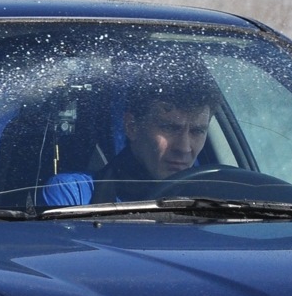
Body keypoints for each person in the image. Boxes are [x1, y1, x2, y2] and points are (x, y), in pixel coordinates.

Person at [91, 78, 219, 203]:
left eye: (197, 131)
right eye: (169, 128)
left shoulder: (217, 199)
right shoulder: (79, 196)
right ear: (132, 126)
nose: (184, 148)